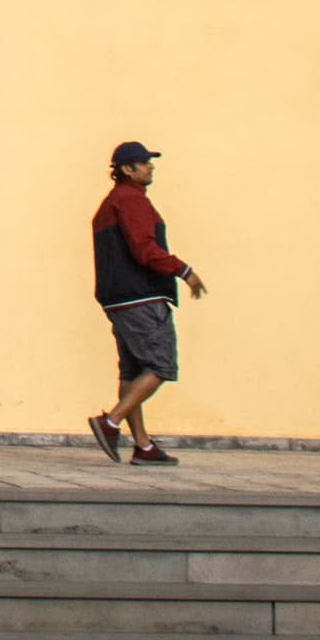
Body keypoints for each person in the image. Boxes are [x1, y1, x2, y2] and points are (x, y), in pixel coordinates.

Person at [87, 140, 205, 466]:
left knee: (133, 370)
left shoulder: (110, 204)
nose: (151, 166)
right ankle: (110, 422)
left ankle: (143, 446)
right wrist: (184, 271)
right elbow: (144, 250)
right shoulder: (132, 201)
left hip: (118, 300)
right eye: (144, 162)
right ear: (127, 169)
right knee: (161, 365)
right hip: (142, 298)